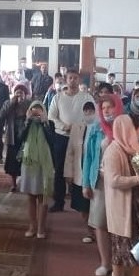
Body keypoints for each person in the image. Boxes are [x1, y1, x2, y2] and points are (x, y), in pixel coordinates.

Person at [103, 114, 139, 276]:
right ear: (127, 130)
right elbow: (114, 180)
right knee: (120, 245)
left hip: (137, 205)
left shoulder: (135, 149)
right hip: (121, 206)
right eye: (136, 130)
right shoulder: (113, 151)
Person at [82, 94, 122, 276]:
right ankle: (105, 263)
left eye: (110, 107)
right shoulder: (96, 129)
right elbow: (89, 157)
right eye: (103, 108)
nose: (106, 111)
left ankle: (118, 264)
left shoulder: (124, 127)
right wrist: (86, 183)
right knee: (100, 222)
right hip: (99, 180)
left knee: (118, 223)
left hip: (120, 182)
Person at [47, 68, 92, 213]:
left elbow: (92, 115)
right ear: (66, 80)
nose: (73, 80)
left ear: (79, 80)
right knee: (60, 170)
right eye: (70, 78)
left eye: (75, 78)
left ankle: (78, 202)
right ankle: (58, 201)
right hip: (62, 137)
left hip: (80, 137)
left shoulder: (86, 97)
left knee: (78, 168)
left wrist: (81, 126)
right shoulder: (58, 97)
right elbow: (51, 116)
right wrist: (63, 126)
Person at [16, 102, 54, 238]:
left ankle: (41, 228)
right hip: (29, 163)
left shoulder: (49, 124)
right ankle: (32, 226)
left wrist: (44, 123)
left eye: (39, 109)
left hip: (44, 163)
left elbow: (52, 141)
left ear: (44, 111)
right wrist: (27, 121)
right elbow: (20, 138)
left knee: (42, 196)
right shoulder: (26, 122)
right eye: (34, 108)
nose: (36, 111)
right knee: (31, 196)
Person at [64, 100, 96, 243]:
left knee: (94, 203)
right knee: (82, 205)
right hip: (80, 170)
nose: (88, 113)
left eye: (91, 111)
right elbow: (70, 152)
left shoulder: (99, 128)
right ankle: (89, 231)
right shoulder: (77, 128)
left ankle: (97, 230)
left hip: (94, 172)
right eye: (86, 111)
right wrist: (68, 173)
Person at [0, 84, 31, 193]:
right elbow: (2, 115)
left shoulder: (29, 103)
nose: (19, 95)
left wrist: (24, 105)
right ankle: (13, 184)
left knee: (26, 160)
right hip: (12, 136)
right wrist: (12, 103)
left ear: (25, 94)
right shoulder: (8, 103)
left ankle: (27, 183)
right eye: (17, 92)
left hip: (25, 136)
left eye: (21, 93)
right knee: (12, 161)